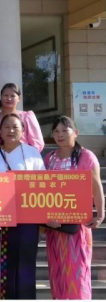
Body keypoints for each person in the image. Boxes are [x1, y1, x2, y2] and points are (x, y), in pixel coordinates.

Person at [0, 113, 45, 300]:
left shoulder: (33, 153)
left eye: (15, 127)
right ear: (0, 131)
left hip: (27, 218)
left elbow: (42, 185)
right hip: (0, 219)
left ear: (23, 131)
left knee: (25, 263)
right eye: (7, 127)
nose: (11, 130)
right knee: (2, 264)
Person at [44, 116, 105, 301]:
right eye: (56, 131)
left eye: (65, 130)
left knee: (77, 273)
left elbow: (97, 187)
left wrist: (100, 215)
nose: (60, 135)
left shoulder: (86, 156)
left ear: (76, 133)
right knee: (57, 273)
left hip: (77, 227)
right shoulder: (49, 158)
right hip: (54, 227)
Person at [0, 83, 44, 151]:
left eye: (12, 96)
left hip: (25, 155)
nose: (9, 98)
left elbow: (37, 143)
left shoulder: (27, 117)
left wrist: (27, 154)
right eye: (6, 95)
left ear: (19, 98)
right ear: (1, 97)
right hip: (1, 156)